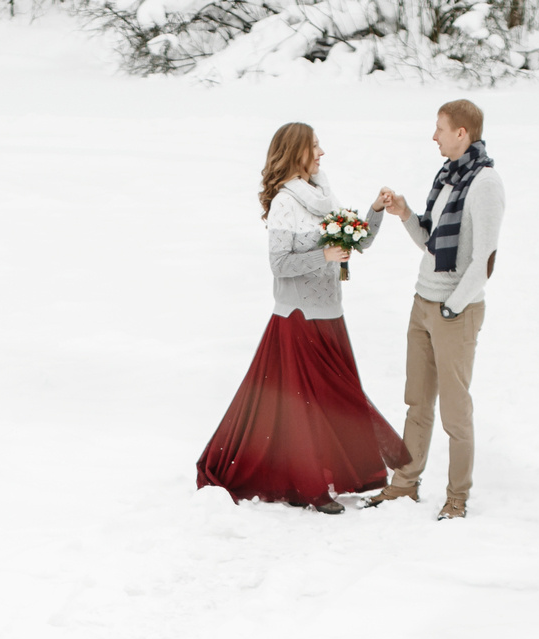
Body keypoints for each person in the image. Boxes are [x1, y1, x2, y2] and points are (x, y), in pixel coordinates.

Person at [196, 122, 408, 514]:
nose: (322, 153)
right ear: (297, 153)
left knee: (337, 399)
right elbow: (279, 264)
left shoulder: (322, 193)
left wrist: (375, 212)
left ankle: (348, 474)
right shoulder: (285, 203)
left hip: (331, 313)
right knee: (305, 406)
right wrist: (323, 256)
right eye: (314, 147)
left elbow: (355, 241)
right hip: (297, 318)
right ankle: (310, 487)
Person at [364, 100, 504, 521]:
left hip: (454, 312)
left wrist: (452, 307)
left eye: (440, 129)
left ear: (462, 132)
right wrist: (406, 213)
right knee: (417, 402)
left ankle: (457, 497)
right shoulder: (447, 175)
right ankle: (405, 484)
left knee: (455, 412)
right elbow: (432, 241)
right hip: (422, 303)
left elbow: (484, 260)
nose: (434, 136)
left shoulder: (485, 184)